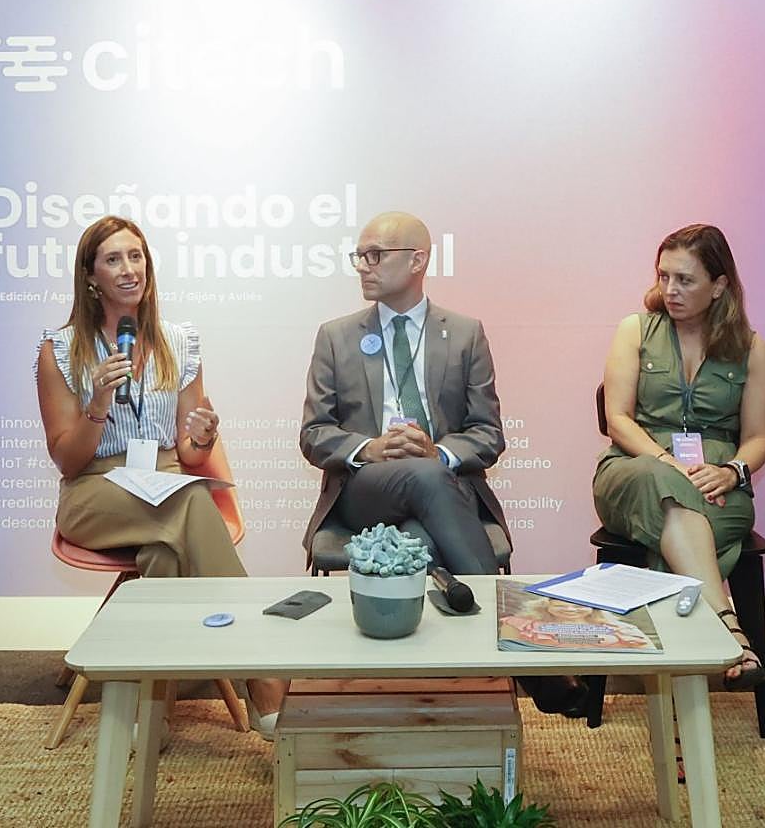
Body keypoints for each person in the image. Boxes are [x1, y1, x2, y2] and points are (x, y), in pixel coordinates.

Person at [299, 210, 588, 717]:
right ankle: (532, 663)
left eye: (375, 255)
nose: (363, 266)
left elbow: (488, 434)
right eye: (358, 256)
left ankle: (429, 698)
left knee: (423, 515)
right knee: (427, 477)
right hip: (364, 492)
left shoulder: (466, 334)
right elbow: (315, 434)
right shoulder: (336, 336)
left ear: (418, 260)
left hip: (440, 490)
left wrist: (441, 453)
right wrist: (368, 450)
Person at [35, 215, 285, 736]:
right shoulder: (60, 350)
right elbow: (67, 460)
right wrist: (98, 404)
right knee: (191, 505)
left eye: (136, 257)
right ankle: (264, 674)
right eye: (113, 259)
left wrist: (202, 435)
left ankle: (148, 715)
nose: (129, 270)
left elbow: (192, 456)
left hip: (167, 482)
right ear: (90, 277)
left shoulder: (179, 340)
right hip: (95, 491)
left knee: (165, 552)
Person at [593, 223, 765, 690]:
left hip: (716, 486)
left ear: (719, 286)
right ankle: (727, 626)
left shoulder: (751, 349)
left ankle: (674, 667)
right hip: (634, 472)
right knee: (663, 487)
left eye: (685, 280)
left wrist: (733, 472)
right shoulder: (635, 329)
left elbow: (757, 438)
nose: (669, 290)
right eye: (663, 276)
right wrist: (666, 461)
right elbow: (618, 419)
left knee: (678, 530)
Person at [500, 598, 656, 651]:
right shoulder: (520, 624)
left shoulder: (622, 630)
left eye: (578, 605)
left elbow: (651, 654)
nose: (569, 609)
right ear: (547, 605)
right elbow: (505, 648)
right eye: (560, 605)